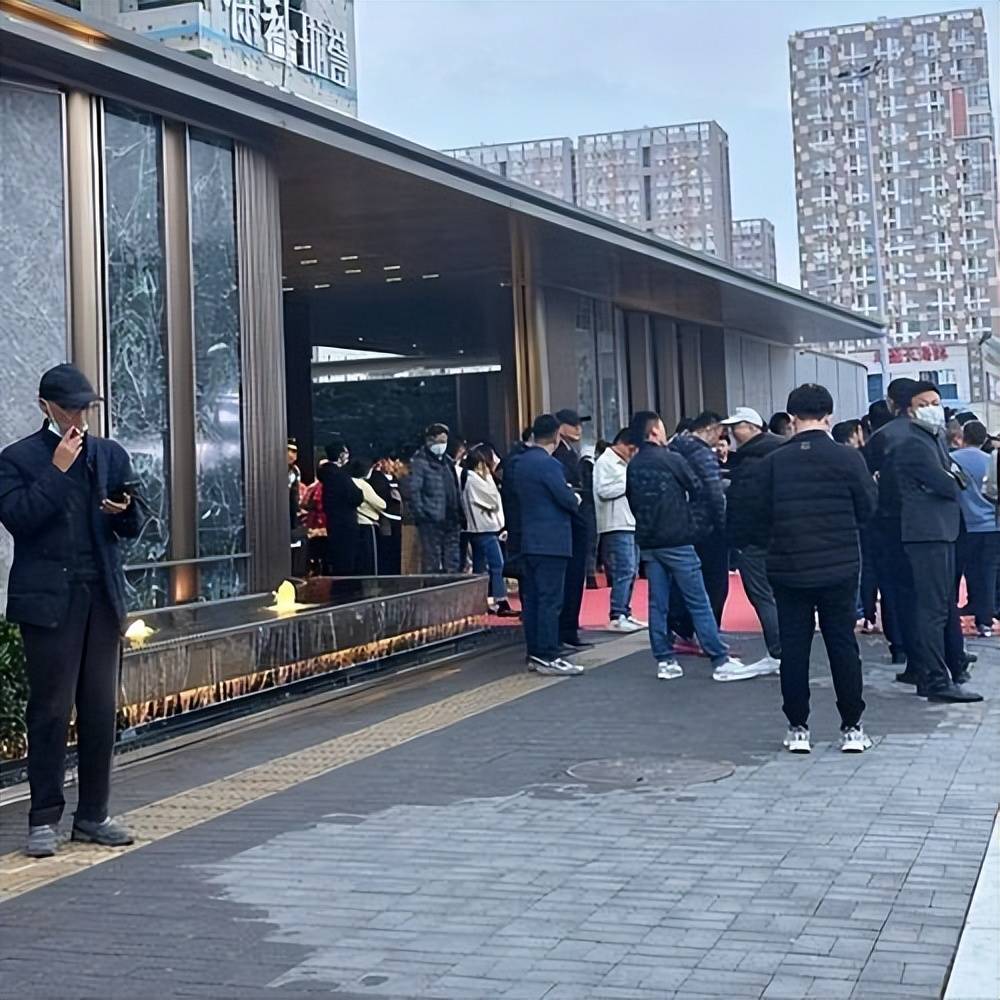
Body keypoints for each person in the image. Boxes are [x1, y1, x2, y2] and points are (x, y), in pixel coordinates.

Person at [0, 364, 140, 857]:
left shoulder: (108, 453)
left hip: (101, 596)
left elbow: (134, 523)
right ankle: (43, 819)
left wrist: (125, 511)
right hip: (48, 603)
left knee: (100, 710)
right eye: (71, 409)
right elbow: (19, 518)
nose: (79, 418)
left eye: (86, 408)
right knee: (51, 711)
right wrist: (57, 470)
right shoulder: (17, 458)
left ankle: (93, 815)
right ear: (46, 407)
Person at [758, 384, 878, 754]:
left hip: (788, 566)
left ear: (791, 418)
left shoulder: (773, 462)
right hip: (839, 565)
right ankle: (852, 727)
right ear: (829, 416)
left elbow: (755, 515)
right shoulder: (849, 459)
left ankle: (798, 728)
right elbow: (868, 508)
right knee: (842, 644)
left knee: (794, 648)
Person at [625, 410, 747, 682]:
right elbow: (698, 488)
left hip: (650, 540)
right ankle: (719, 657)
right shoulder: (671, 459)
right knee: (699, 600)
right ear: (653, 432)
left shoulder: (634, 464)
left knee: (658, 603)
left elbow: (632, 500)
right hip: (677, 538)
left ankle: (664, 659)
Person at [895, 382, 983, 703]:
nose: (933, 408)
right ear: (910, 410)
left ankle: (937, 672)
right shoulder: (914, 443)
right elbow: (948, 484)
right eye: (924, 403)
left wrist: (950, 477)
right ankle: (933, 678)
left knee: (942, 605)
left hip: (941, 530)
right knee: (932, 609)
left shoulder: (935, 439)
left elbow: (958, 478)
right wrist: (949, 478)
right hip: (927, 533)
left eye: (935, 401)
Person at [509, 414, 585, 676]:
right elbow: (565, 499)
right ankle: (549, 654)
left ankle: (535, 652)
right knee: (551, 600)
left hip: (529, 539)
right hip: (552, 540)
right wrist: (574, 497)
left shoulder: (520, 463)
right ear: (556, 435)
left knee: (533, 600)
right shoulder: (550, 465)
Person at [721, 406, 784, 676]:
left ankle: (778, 652)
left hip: (755, 539)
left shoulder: (752, 460)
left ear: (753, 427)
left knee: (762, 595)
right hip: (779, 535)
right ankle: (785, 651)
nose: (733, 432)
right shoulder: (779, 452)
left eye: (737, 427)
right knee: (778, 595)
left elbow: (746, 504)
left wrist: (739, 537)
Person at [865, 378, 920, 671]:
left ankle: (899, 646)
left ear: (891, 402)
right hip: (924, 523)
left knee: (891, 587)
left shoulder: (881, 437)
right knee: (925, 588)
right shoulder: (928, 433)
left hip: (886, 521)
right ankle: (929, 651)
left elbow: (868, 481)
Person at [669, 411, 729, 630]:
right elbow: (714, 493)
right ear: (710, 428)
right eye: (720, 432)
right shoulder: (702, 454)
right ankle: (709, 630)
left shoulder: (673, 449)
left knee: (684, 580)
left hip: (681, 524)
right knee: (715, 582)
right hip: (707, 525)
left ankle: (682, 626)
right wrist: (723, 525)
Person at [593, 428, 644, 632]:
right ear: (621, 444)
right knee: (624, 569)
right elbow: (603, 490)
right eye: (631, 449)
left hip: (631, 522)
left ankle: (625, 611)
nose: (633, 453)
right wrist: (628, 481)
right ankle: (617, 614)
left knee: (632, 570)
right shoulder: (605, 462)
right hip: (615, 523)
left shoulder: (625, 464)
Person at [953, 420, 1000, 637]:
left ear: (964, 437)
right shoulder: (991, 461)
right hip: (992, 525)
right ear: (983, 439)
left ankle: (957, 612)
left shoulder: (952, 459)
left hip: (965, 524)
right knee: (988, 572)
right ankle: (985, 621)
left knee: (963, 569)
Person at [552, 409, 593, 651]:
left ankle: (570, 628)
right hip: (568, 522)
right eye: (573, 424)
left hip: (579, 520)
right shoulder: (557, 454)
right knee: (568, 581)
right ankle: (565, 630)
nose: (578, 429)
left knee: (576, 579)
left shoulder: (572, 452)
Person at [462, 444, 516, 616]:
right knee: (497, 564)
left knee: (480, 566)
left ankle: (483, 600)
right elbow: (492, 500)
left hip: (483, 529)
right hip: (483, 529)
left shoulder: (476, 478)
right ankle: (500, 600)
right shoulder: (473, 480)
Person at [407, 423, 462, 574]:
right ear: (429, 441)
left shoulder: (448, 461)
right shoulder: (420, 462)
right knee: (432, 559)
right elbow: (414, 491)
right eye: (440, 441)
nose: (442, 445)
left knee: (452, 558)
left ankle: (451, 581)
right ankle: (433, 585)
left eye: (445, 441)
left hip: (451, 517)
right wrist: (422, 513)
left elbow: (455, 487)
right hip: (431, 518)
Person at [319, 439, 364, 576]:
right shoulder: (339, 476)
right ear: (340, 455)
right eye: (345, 452)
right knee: (346, 561)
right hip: (345, 524)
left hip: (333, 522)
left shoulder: (326, 474)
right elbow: (356, 496)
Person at [348, 458, 387, 575]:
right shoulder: (363, 485)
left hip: (354, 524)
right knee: (369, 560)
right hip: (367, 524)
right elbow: (381, 504)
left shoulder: (348, 482)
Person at [369, 458, 403, 575]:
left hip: (398, 519)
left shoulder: (397, 479)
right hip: (385, 519)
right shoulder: (377, 479)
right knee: (386, 547)